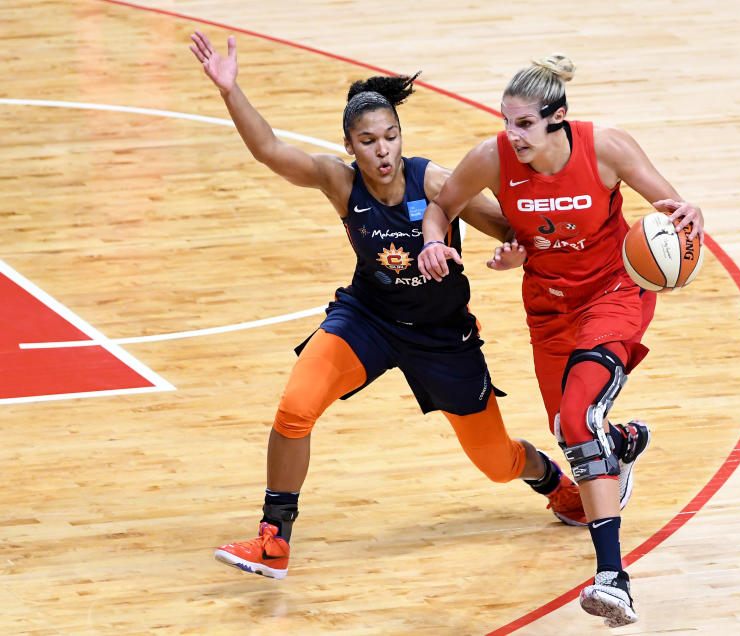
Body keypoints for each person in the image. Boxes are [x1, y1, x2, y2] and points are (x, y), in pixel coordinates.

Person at [188, 33, 587, 580]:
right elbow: (271, 152)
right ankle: (274, 537)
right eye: (369, 140)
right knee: (294, 409)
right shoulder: (339, 180)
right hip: (368, 318)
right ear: (350, 145)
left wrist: (511, 255)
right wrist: (230, 90)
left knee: (496, 463)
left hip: (443, 336)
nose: (382, 150)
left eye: (391, 137)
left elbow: (510, 232)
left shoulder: (438, 181)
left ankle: (551, 481)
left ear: (402, 138)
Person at [417, 54, 704, 627]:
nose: (512, 134)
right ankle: (618, 441)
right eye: (507, 122)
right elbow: (442, 206)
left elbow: (673, 209)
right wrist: (433, 242)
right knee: (570, 429)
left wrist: (689, 214)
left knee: (577, 421)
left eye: (524, 123)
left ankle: (612, 579)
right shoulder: (490, 158)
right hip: (549, 308)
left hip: (614, 295)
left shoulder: (607, 148)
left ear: (558, 118)